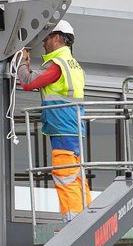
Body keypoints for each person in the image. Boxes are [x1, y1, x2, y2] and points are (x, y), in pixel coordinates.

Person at [17, 20, 90, 218]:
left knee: (64, 175)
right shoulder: (74, 65)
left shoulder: (58, 65)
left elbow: (28, 82)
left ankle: (74, 222)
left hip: (62, 129)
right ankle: (88, 216)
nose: (44, 43)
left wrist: (23, 62)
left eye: (47, 38)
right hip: (74, 128)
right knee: (76, 177)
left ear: (57, 38)